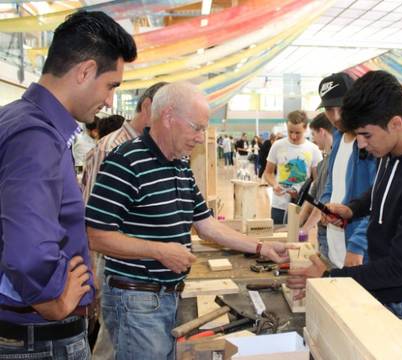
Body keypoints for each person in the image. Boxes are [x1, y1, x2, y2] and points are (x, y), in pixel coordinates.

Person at [85, 82, 289, 360]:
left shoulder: (179, 164)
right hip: (136, 300)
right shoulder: (125, 161)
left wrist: (261, 248)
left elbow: (207, 224)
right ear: (169, 117)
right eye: (196, 127)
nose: (200, 136)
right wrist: (159, 250)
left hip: (168, 296)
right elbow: (95, 235)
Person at [0, 10, 136, 359]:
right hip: (39, 338)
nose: (109, 101)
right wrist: (51, 300)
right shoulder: (36, 135)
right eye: (111, 86)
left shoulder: (18, 118)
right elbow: (28, 252)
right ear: (85, 71)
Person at [288, 70, 402, 329]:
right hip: (390, 293)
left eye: (366, 135)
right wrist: (352, 210)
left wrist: (330, 276)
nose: (361, 145)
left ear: (396, 123)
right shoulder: (391, 151)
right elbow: (379, 190)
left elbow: (399, 268)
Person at [82, 82, 167, 360]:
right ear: (147, 107)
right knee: (111, 346)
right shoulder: (110, 149)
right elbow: (90, 223)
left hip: (145, 274)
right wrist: (91, 280)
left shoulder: (157, 149)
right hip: (114, 271)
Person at [303, 73, 376, 268]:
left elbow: (379, 202)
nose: (335, 117)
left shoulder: (370, 145)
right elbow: (331, 183)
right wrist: (326, 206)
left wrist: (358, 245)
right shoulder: (338, 138)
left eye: (341, 108)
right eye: (328, 109)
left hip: (360, 252)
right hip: (335, 245)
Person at [264, 110, 322, 224]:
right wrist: (275, 185)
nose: (293, 136)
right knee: (278, 238)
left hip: (302, 207)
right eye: (290, 132)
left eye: (298, 132)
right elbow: (268, 173)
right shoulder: (277, 145)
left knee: (298, 240)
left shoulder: (313, 149)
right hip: (279, 205)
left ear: (305, 128)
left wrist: (303, 193)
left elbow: (317, 181)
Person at [298, 113, 333, 257]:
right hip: (323, 232)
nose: (313, 139)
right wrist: (296, 226)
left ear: (322, 131)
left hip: (331, 233)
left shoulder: (334, 163)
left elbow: (325, 202)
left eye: (313, 134)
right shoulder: (323, 163)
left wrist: (304, 229)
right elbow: (312, 197)